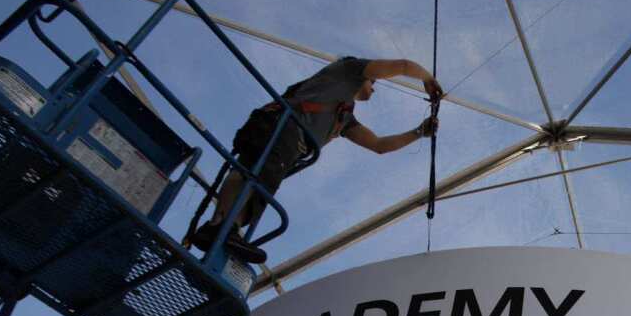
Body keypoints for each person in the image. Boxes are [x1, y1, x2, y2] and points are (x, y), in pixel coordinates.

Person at [187, 57, 443, 264]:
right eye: (373, 82)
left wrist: (419, 131)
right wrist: (428, 79)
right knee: (253, 173)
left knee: (259, 182)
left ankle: (223, 230)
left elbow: (379, 145)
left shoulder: (343, 118)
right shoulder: (349, 69)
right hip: (278, 126)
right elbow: (403, 66)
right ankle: (221, 226)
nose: (374, 88)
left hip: (288, 144)